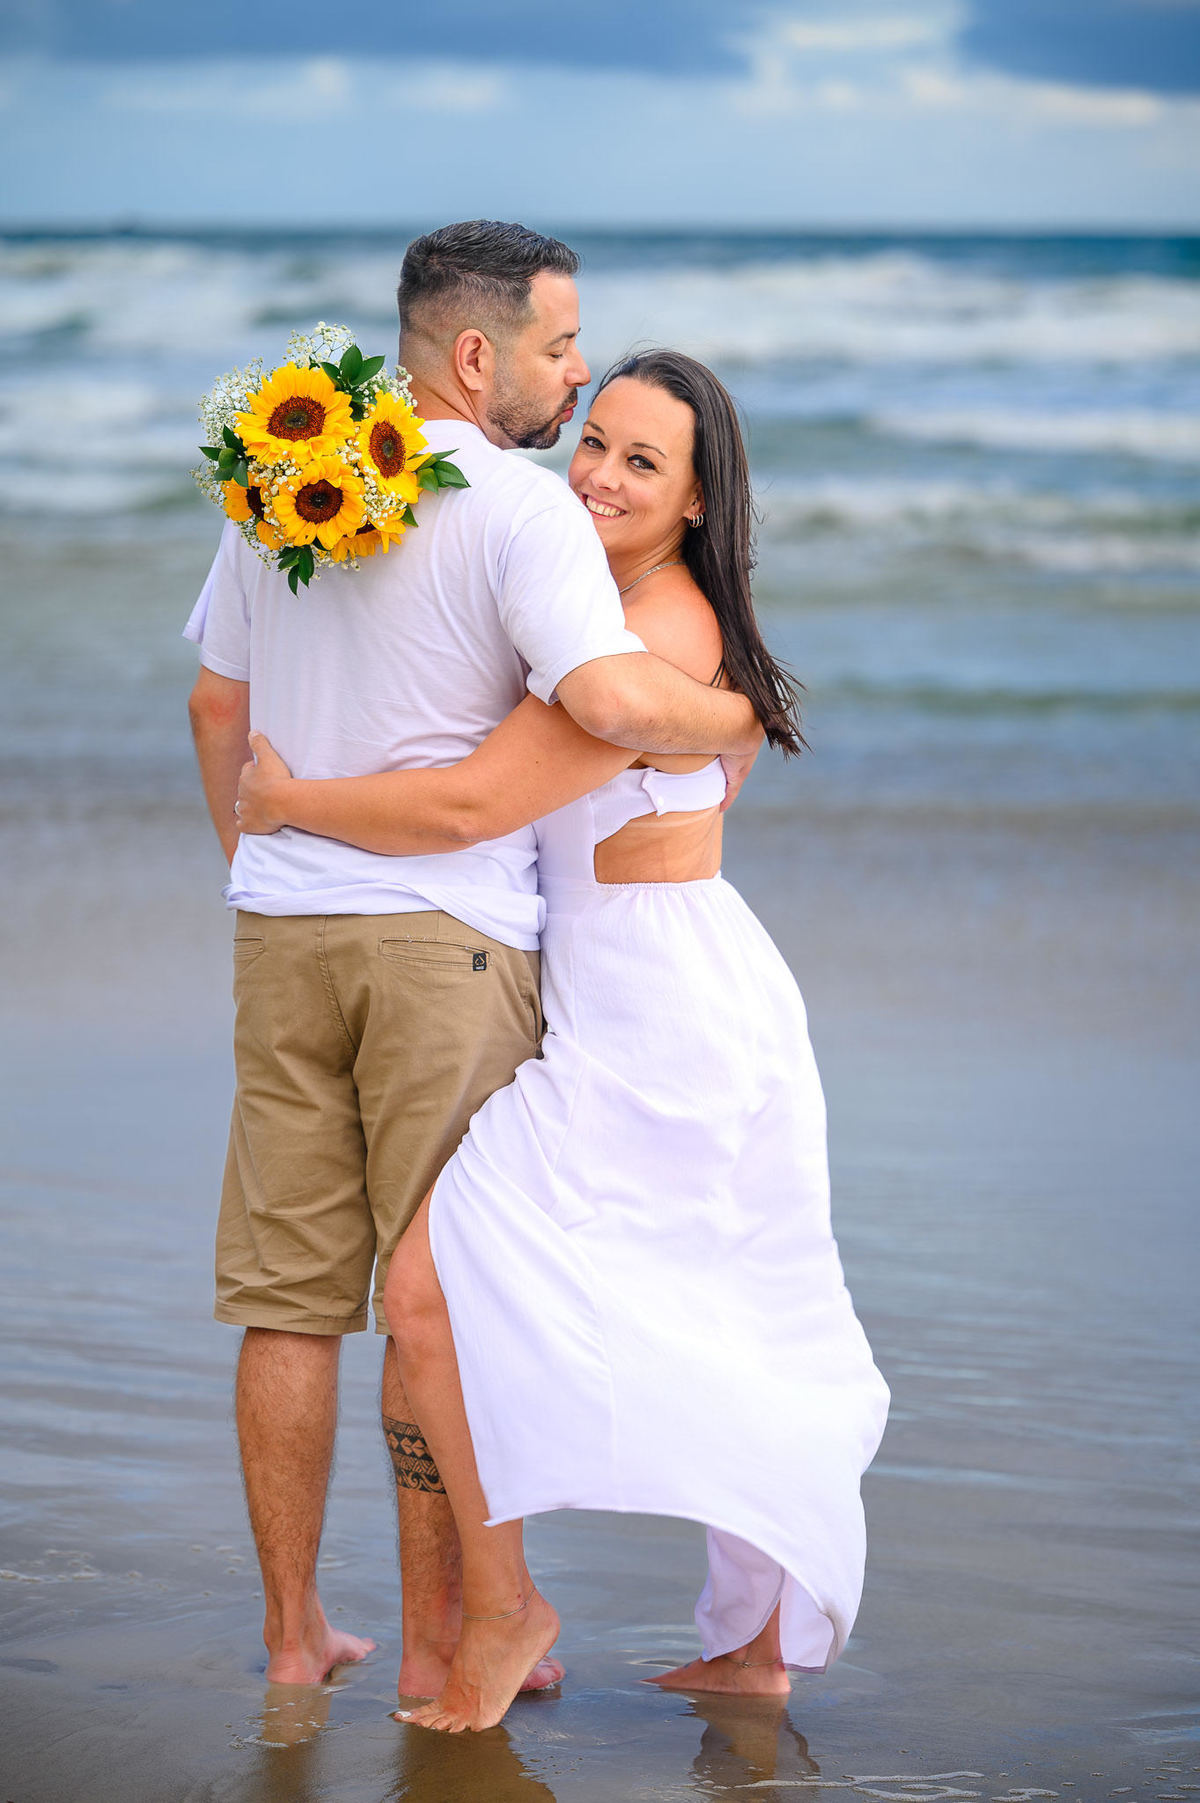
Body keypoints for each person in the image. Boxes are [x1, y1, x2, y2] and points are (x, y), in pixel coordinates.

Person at [235, 349, 891, 1732]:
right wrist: (745, 712)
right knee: (726, 1304)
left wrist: (290, 802)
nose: (595, 472)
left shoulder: (654, 633)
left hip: (662, 1015)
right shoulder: (618, 620)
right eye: (594, 440)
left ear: (702, 504)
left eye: (643, 462)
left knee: (427, 1291)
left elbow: (474, 804)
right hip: (631, 992)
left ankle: (504, 1609)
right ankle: (754, 1645)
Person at [184, 224, 764, 1696]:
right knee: (438, 1298)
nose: (574, 376)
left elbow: (212, 706)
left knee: (289, 1296)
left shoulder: (279, 489)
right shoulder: (520, 513)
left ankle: (291, 1635)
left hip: (282, 933)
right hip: (447, 944)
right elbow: (606, 695)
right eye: (561, 347)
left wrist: (268, 860)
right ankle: (444, 1643)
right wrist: (734, 713)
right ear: (473, 356)